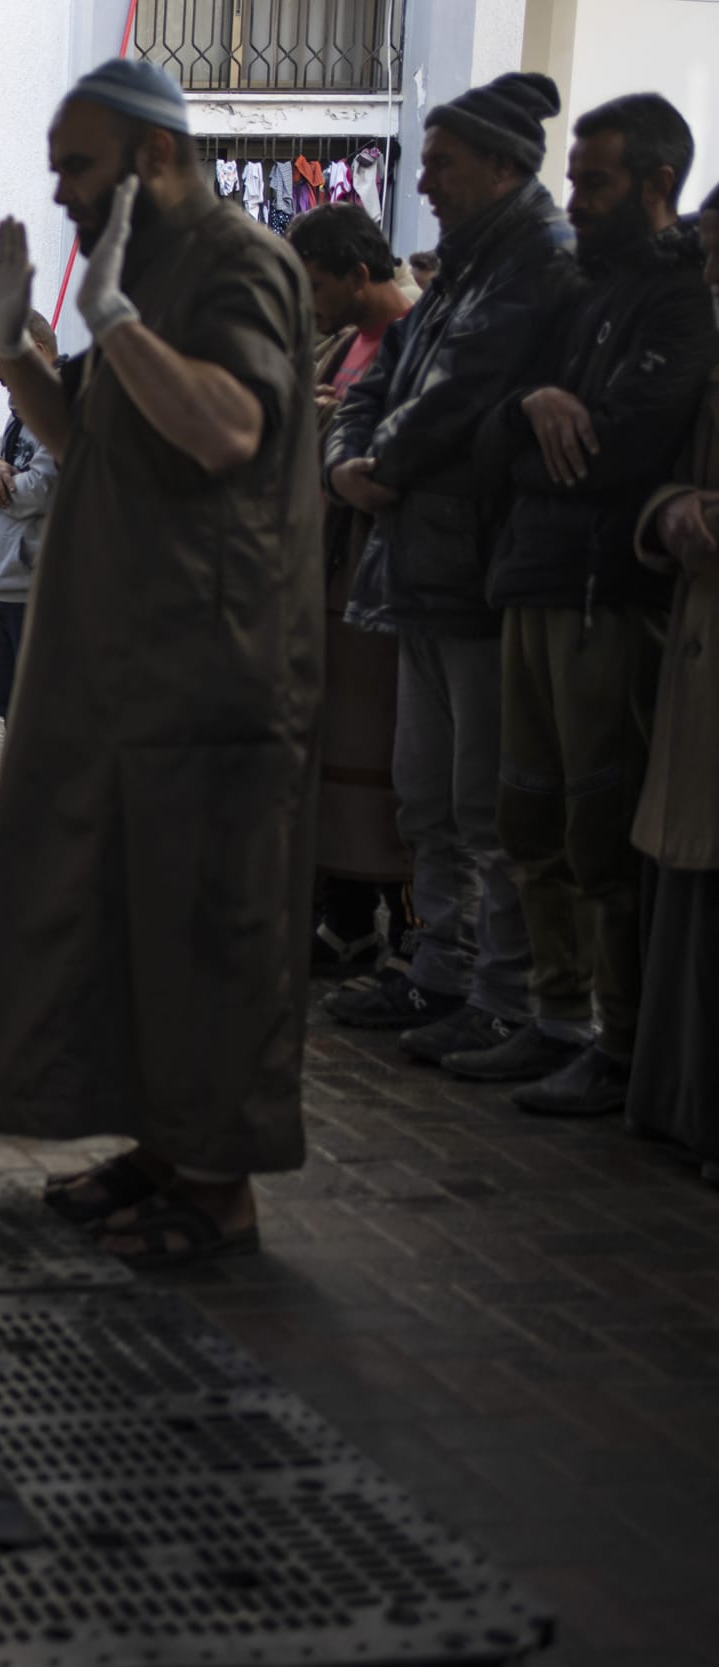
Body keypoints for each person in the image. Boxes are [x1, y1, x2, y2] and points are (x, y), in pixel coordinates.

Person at [0, 59, 323, 1265]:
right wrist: (17, 354)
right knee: (129, 918)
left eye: (78, 167)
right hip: (125, 664)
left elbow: (225, 427)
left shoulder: (235, 263)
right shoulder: (145, 269)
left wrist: (110, 324)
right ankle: (163, 1151)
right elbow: (96, 444)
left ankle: (219, 1192)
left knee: (209, 926)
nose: (59, 194)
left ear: (153, 157)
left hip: (209, 665)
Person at [325, 72, 578, 1064]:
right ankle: (441, 973)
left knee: (486, 805)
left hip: (475, 569)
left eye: (441, 161)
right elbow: (380, 377)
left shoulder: (533, 264)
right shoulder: (465, 268)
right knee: (424, 792)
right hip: (421, 565)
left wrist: (373, 461)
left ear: (504, 166)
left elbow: (460, 396)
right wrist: (352, 456)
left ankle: (501, 991)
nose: (421, 180)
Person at [471, 93, 717, 1113]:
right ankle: (552, 1014)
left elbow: (617, 453)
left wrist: (538, 445)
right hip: (533, 577)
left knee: (594, 827)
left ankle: (613, 1040)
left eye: (593, 180)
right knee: (523, 813)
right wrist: (530, 410)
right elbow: (487, 431)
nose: (572, 197)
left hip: (602, 597)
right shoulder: (576, 289)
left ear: (657, 183)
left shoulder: (677, 301)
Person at [288, 203, 417, 975]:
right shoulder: (340, 343)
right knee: (336, 760)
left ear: (358, 275)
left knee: (392, 769)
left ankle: (404, 931)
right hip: (332, 574)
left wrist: (329, 429)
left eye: (314, 287)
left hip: (381, 581)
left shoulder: (409, 337)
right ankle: (346, 921)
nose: (308, 305)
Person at [628, 185, 719, 1171]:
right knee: (684, 883)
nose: (707, 275)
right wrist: (670, 511)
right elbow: (666, 474)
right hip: (697, 641)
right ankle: (676, 1099)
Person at [0, 308, 61, 725]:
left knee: (39, 716)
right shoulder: (23, 410)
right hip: (4, 585)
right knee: (11, 710)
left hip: (38, 592)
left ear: (36, 352)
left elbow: (34, 493)